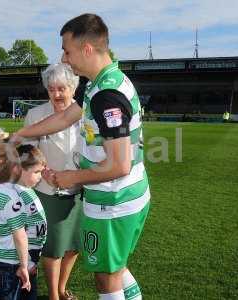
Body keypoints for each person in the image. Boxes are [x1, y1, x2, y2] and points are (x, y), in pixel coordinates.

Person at [14, 14, 150, 300]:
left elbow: (119, 164)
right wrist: (21, 134)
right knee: (117, 267)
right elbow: (64, 118)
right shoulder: (99, 83)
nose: (64, 58)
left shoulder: (107, 94)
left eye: (67, 50)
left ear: (87, 49)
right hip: (125, 195)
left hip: (114, 201)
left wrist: (69, 177)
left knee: (106, 278)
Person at [23, 63, 81, 300]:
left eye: (62, 89)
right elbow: (28, 152)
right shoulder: (36, 115)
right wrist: (45, 172)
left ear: (73, 88)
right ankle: (53, 296)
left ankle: (61, 288)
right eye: (51, 89)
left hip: (81, 191)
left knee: (73, 246)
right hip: (48, 191)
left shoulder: (86, 113)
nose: (56, 94)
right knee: (54, 248)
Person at [0, 143, 31, 300]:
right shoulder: (10, 199)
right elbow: (20, 236)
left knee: (0, 293)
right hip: (9, 261)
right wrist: (24, 266)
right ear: (15, 169)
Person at [15, 144, 48, 300]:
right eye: (36, 172)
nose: (40, 176)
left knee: (28, 292)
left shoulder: (26, 189)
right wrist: (27, 262)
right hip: (24, 255)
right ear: (20, 170)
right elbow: (15, 233)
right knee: (25, 293)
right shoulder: (17, 196)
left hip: (33, 252)